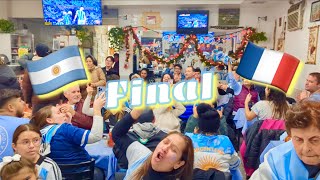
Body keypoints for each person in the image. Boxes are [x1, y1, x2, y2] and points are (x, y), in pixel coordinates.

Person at [29, 93, 105, 175]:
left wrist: (69, 122)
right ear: (50, 120)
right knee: (103, 171)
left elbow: (68, 142)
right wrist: (97, 110)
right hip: (81, 173)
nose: (64, 114)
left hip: (57, 174)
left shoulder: (41, 134)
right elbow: (95, 136)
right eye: (59, 113)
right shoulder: (64, 129)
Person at [112, 108, 194, 179]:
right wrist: (136, 112)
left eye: (173, 150)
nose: (165, 148)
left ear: (178, 163)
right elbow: (117, 135)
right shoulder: (140, 155)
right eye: (165, 142)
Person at [251, 100, 320, 179]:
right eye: (298, 139)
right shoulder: (276, 162)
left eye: (315, 140)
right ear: (290, 136)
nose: (306, 149)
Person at [184, 103, 242, 180]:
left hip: (195, 177)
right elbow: (235, 164)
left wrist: (194, 117)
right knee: (235, 170)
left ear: (199, 125)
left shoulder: (190, 138)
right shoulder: (225, 140)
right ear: (218, 125)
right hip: (220, 177)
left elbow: (186, 133)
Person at [21, 44, 61, 115]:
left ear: (36, 53)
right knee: (54, 120)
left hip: (38, 101)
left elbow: (27, 87)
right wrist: (61, 97)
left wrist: (28, 101)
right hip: (55, 99)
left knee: (38, 122)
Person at [0, 89, 29, 160]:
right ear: (10, 107)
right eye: (20, 101)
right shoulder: (25, 124)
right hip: (15, 169)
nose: (23, 103)